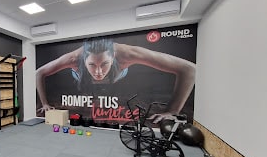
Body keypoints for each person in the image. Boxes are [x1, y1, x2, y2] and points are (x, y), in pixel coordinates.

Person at [35, 37, 196, 123]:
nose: (98, 72)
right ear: (83, 61)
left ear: (113, 58)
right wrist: (45, 104)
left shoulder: (127, 54)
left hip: (120, 74)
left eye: (104, 64)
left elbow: (189, 69)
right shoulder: (73, 58)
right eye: (92, 65)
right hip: (79, 76)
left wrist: (172, 111)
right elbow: (39, 72)